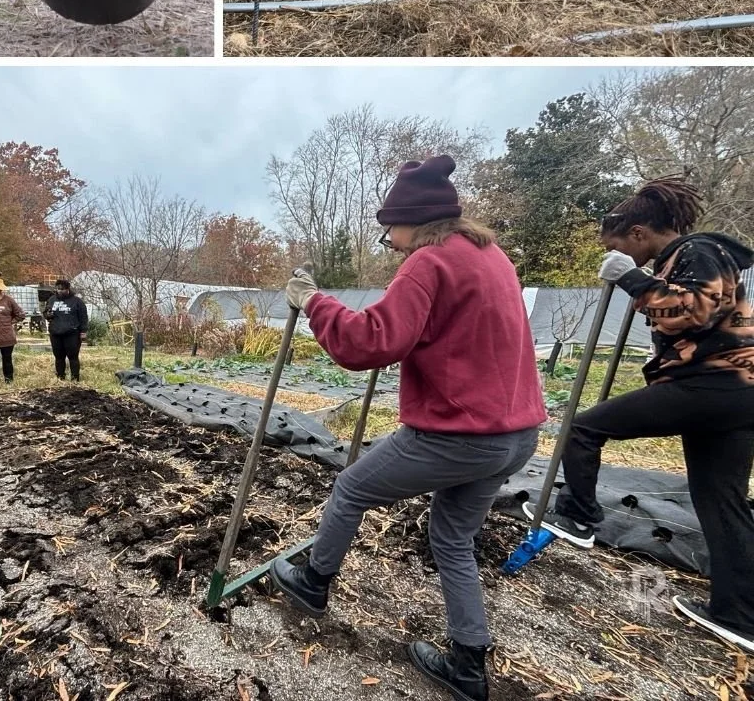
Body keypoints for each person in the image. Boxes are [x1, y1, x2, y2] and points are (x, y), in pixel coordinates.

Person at [268, 156, 544, 701]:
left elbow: (368, 343)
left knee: (350, 490)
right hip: (516, 435)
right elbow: (422, 328)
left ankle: (313, 583)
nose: (389, 241)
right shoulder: (492, 257)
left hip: (458, 434)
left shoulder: (428, 261)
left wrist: (314, 302)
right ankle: (467, 667)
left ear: (414, 221)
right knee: (453, 538)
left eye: (389, 229)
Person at [531, 176, 754, 653]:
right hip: (736, 392)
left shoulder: (699, 251)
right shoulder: (685, 259)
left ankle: (579, 516)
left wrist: (631, 278)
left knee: (585, 427)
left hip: (709, 383)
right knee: (719, 497)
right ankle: (740, 614)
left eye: (617, 246)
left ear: (637, 233)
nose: (617, 255)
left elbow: (692, 312)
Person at [45, 277, 88, 382]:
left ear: (67, 289)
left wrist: (83, 332)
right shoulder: (52, 300)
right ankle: (60, 379)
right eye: (58, 289)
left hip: (72, 333)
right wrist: (48, 314)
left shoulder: (77, 301)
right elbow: (45, 313)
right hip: (56, 333)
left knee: (73, 357)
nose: (59, 291)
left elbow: (83, 317)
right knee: (59, 357)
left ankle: (75, 379)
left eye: (62, 289)